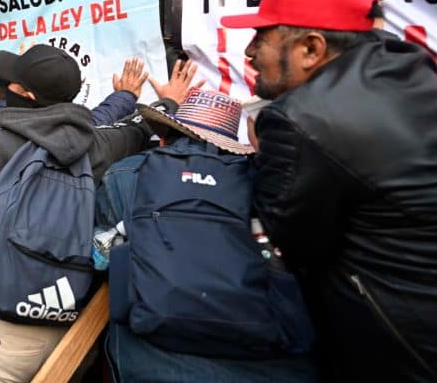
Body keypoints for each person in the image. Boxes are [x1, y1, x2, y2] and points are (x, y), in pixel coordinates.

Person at [0, 45, 197, 382]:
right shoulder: (98, 144)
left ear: (24, 94)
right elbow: (139, 125)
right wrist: (171, 102)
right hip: (63, 327)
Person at [220, 0, 437, 381]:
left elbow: (293, 247)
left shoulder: (301, 121)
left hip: (408, 355)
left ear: (311, 49)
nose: (249, 52)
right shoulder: (406, 70)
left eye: (261, 38)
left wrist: (266, 153)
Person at [98, 88, 316, 382]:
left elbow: (100, 256)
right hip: (270, 362)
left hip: (153, 363)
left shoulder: (125, 174)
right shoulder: (272, 180)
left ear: (165, 136)